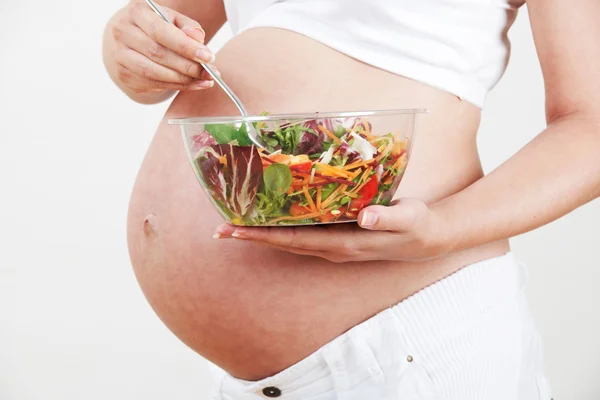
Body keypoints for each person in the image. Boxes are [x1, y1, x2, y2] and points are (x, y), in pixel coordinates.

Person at [103, 0, 599, 398]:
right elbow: (164, 26)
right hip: (258, 382)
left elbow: (591, 127)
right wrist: (129, 44)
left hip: (412, 351)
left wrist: (445, 225)